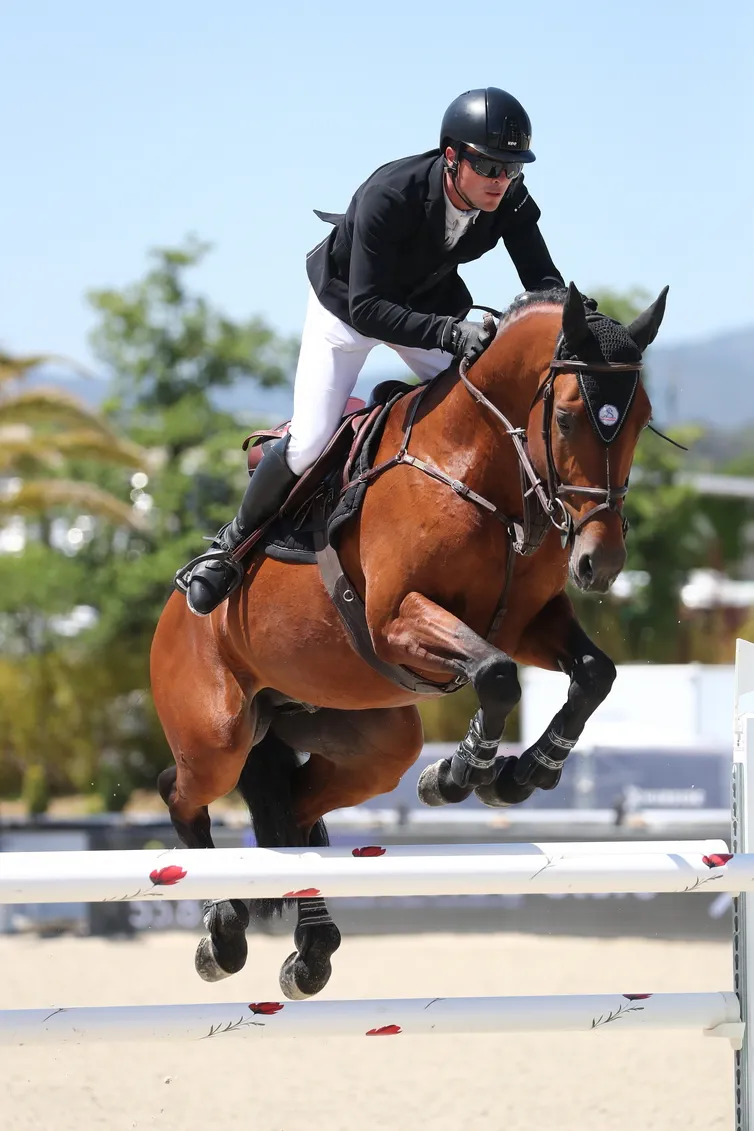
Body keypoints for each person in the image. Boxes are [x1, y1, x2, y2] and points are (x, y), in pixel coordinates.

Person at [183, 86, 564, 616]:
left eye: (512, 169)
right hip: (347, 310)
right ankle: (230, 547)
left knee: (489, 402)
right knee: (309, 442)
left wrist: (576, 320)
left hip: (425, 305)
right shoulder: (390, 193)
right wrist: (451, 334)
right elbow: (368, 309)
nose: (502, 181)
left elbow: (542, 281)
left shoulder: (509, 198)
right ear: (452, 157)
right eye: (491, 168)